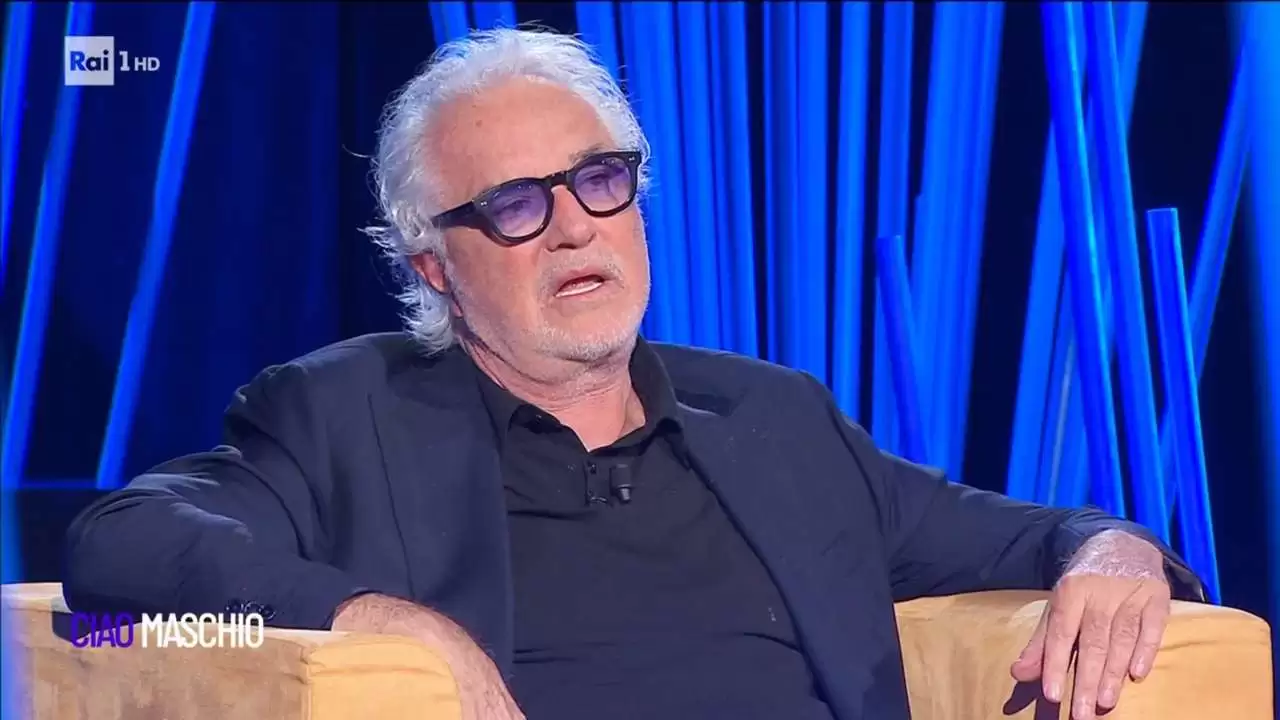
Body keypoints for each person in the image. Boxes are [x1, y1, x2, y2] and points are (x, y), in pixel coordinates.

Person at [64, 27, 1203, 720]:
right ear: (435, 268)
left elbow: (1032, 534)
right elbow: (118, 554)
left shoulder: (773, 417)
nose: (574, 226)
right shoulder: (341, 415)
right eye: (516, 204)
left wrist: (1111, 551)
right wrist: (384, 621)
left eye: (598, 180)